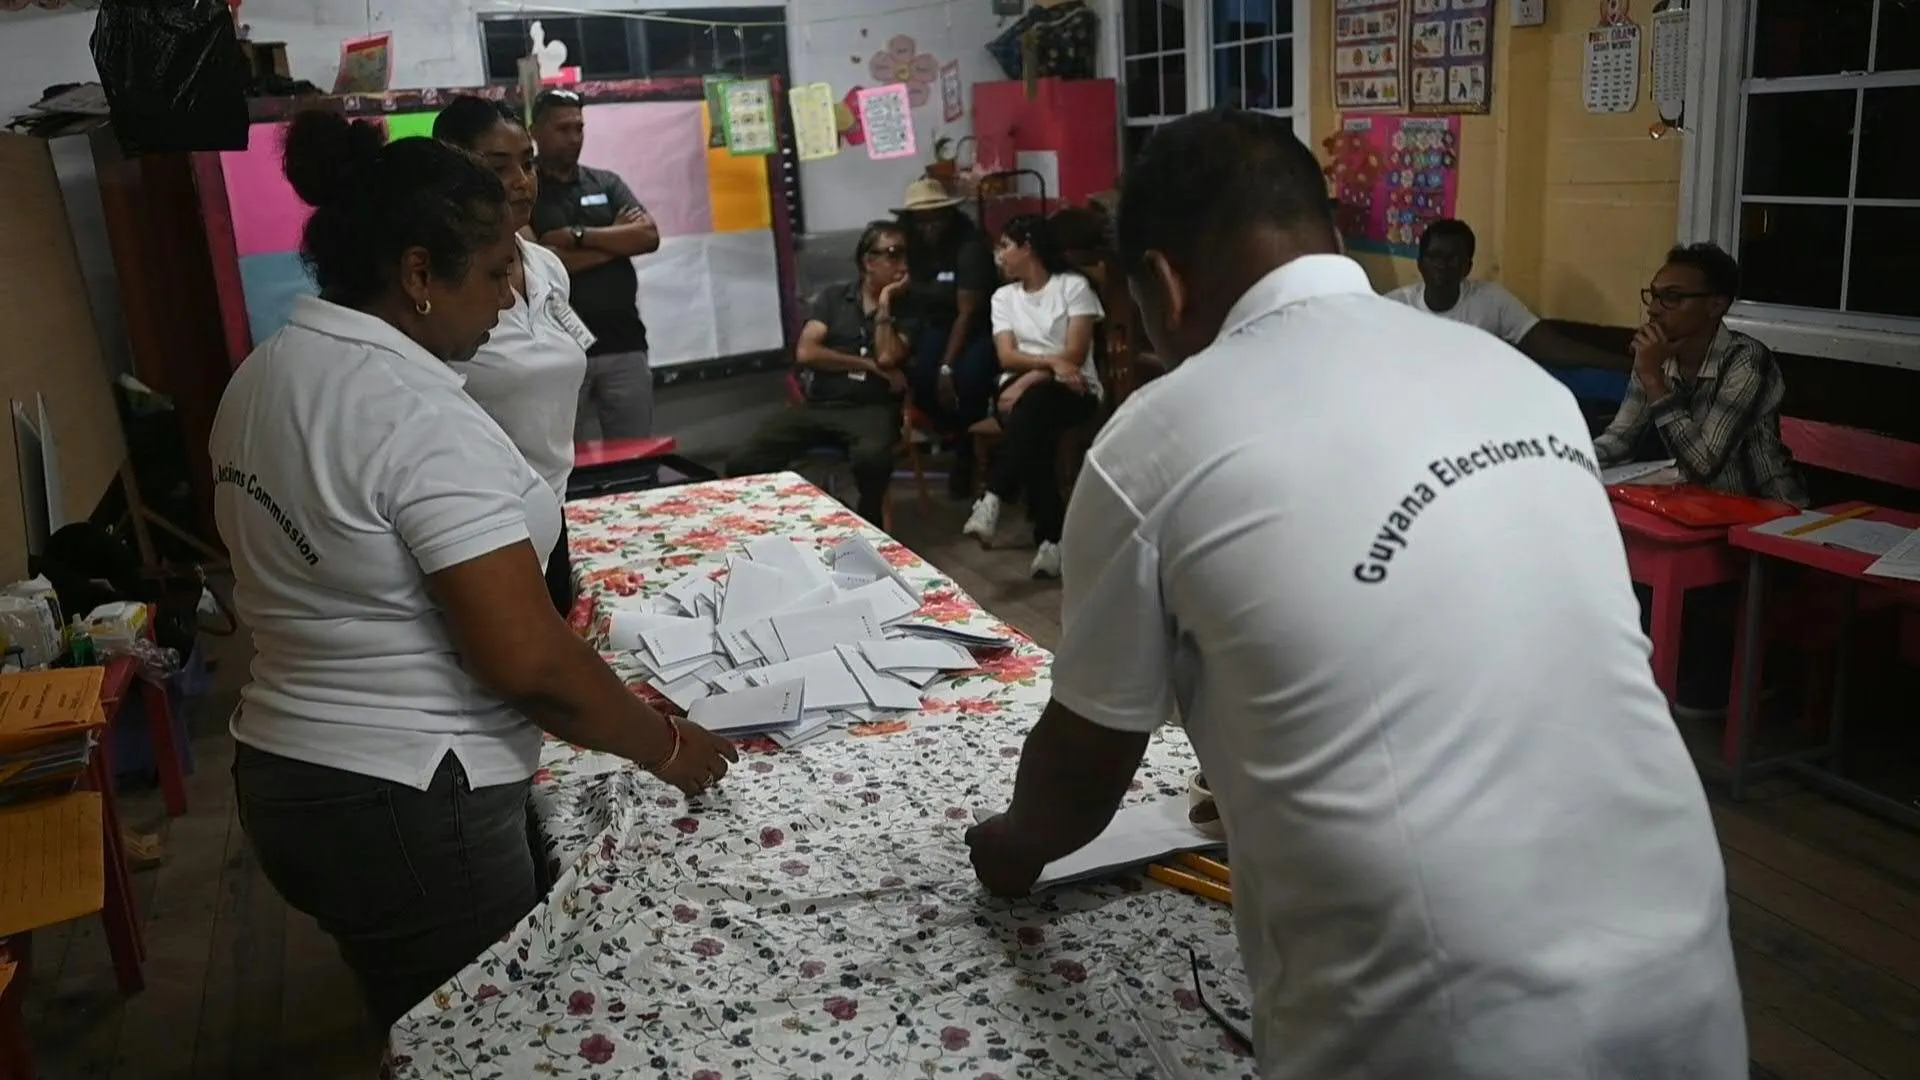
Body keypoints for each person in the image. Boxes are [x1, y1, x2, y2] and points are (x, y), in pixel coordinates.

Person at [965, 109, 1745, 1080]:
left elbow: (1085, 768)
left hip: (1446, 1020)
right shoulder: (1520, 382)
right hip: (1685, 963)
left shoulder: (1161, 437)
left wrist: (1006, 851)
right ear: (1327, 231)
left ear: (1164, 282)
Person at [211, 111, 736, 1031]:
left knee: (414, 1016)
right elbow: (527, 662)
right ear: (419, 274)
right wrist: (663, 746)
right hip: (408, 791)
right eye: (496, 275)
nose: (507, 302)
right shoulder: (416, 416)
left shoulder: (266, 375)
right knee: (485, 1035)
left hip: (287, 768)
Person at [433, 95, 590, 615]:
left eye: (528, 163)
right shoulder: (440, 284)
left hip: (553, 500)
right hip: (478, 518)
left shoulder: (546, 267)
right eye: (499, 167)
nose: (522, 181)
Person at [726, 221, 915, 524]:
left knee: (872, 460)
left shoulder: (909, 307)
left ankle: (870, 525)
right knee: (744, 460)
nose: (903, 265)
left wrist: (884, 303)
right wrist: (867, 365)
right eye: (893, 255)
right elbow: (807, 352)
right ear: (868, 261)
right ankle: (789, 519)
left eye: (906, 255)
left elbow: (887, 355)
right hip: (821, 405)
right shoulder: (833, 299)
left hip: (872, 408)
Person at [1595, 243, 1807, 505]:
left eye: (1672, 297)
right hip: (1702, 506)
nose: (1653, 309)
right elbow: (1620, 439)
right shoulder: (1657, 354)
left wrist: (1652, 378)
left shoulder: (1746, 358)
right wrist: (1571, 462)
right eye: (1654, 295)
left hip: (1769, 510)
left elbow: (1703, 465)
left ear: (1715, 305)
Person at [962, 214, 1104, 579]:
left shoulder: (1073, 287)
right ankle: (1051, 540)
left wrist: (1034, 377)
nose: (999, 255)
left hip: (1073, 388)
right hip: (1018, 388)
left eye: (1005, 246)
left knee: (1034, 411)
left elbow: (1075, 354)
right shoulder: (1003, 297)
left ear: (1028, 247)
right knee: (1034, 424)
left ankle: (995, 495)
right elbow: (1006, 356)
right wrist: (1048, 365)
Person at [528, 88, 661, 440]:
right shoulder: (526, 191)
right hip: (557, 351)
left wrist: (576, 236)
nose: (574, 138)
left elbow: (648, 236)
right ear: (535, 132)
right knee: (564, 458)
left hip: (624, 342)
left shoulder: (606, 182)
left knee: (637, 453)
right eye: (563, 128)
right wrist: (616, 242)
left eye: (579, 128)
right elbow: (539, 264)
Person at [1387, 219, 1629, 370]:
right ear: (1420, 264)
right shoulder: (1393, 306)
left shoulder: (1491, 300)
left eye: (1452, 259)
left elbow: (1555, 347)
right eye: (1435, 256)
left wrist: (1628, 366)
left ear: (1467, 268)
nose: (1442, 266)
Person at [894, 178, 1000, 494]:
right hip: (935, 323)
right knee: (918, 373)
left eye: (934, 219)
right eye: (921, 220)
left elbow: (967, 312)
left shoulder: (970, 246)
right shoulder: (910, 245)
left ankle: (967, 454)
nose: (928, 227)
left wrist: (946, 367)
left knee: (968, 378)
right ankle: (955, 432)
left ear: (948, 215)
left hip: (977, 325)